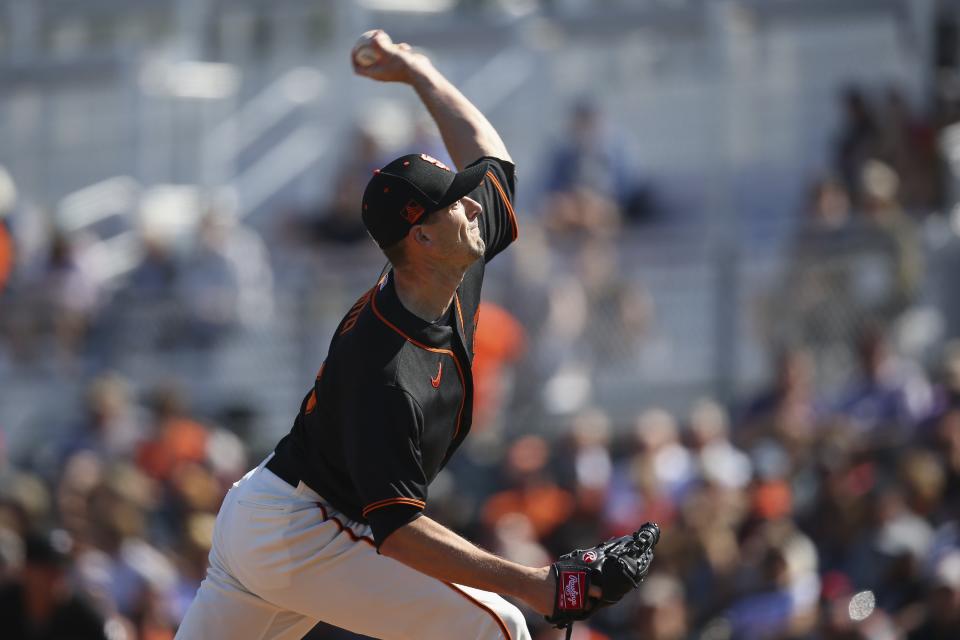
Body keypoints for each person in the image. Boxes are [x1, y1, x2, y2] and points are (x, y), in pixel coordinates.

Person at [176, 30, 558, 640]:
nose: (476, 206)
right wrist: (531, 582)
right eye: (457, 204)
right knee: (502, 624)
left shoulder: (445, 267)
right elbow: (400, 532)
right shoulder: (385, 367)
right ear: (422, 239)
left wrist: (420, 74)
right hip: (301, 530)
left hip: (275, 513)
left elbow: (494, 165)